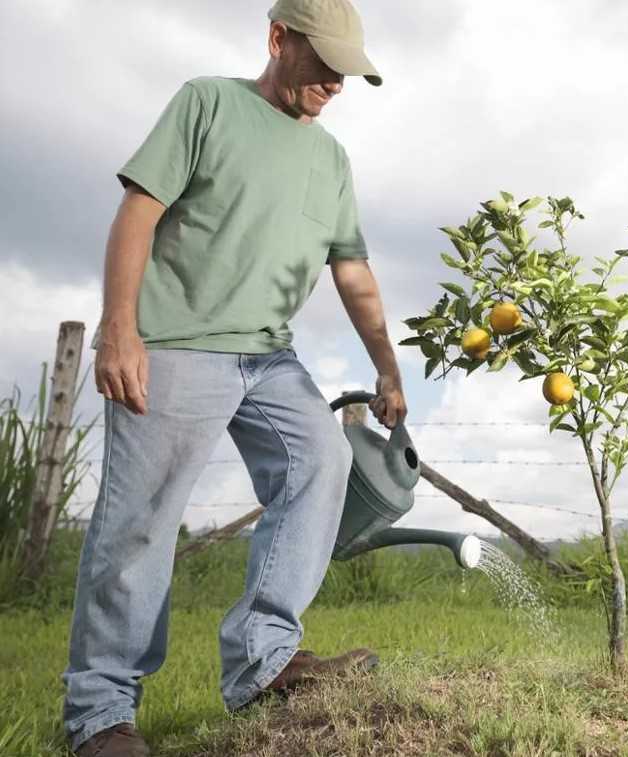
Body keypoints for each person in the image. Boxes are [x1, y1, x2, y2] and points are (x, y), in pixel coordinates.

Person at [60, 1, 406, 754]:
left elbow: (352, 270)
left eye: (348, 70)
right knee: (141, 520)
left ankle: (264, 660)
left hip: (269, 356)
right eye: (325, 63)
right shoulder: (207, 103)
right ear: (279, 39)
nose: (337, 83)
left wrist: (386, 364)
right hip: (177, 342)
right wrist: (119, 327)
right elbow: (138, 213)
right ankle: (100, 714)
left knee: (324, 457)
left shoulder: (332, 160)